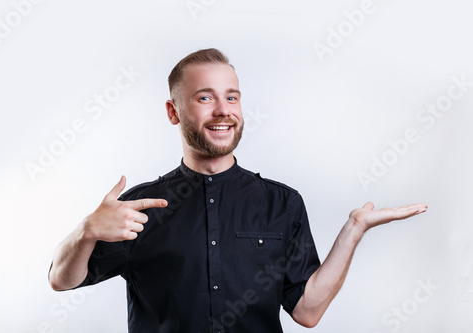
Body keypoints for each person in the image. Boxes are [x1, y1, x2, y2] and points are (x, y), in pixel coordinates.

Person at [49, 48, 427, 332]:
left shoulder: (282, 203)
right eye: (204, 97)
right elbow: (61, 280)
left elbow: (307, 311)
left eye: (231, 96)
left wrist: (353, 231)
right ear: (173, 111)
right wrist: (85, 231)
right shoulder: (137, 208)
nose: (222, 110)